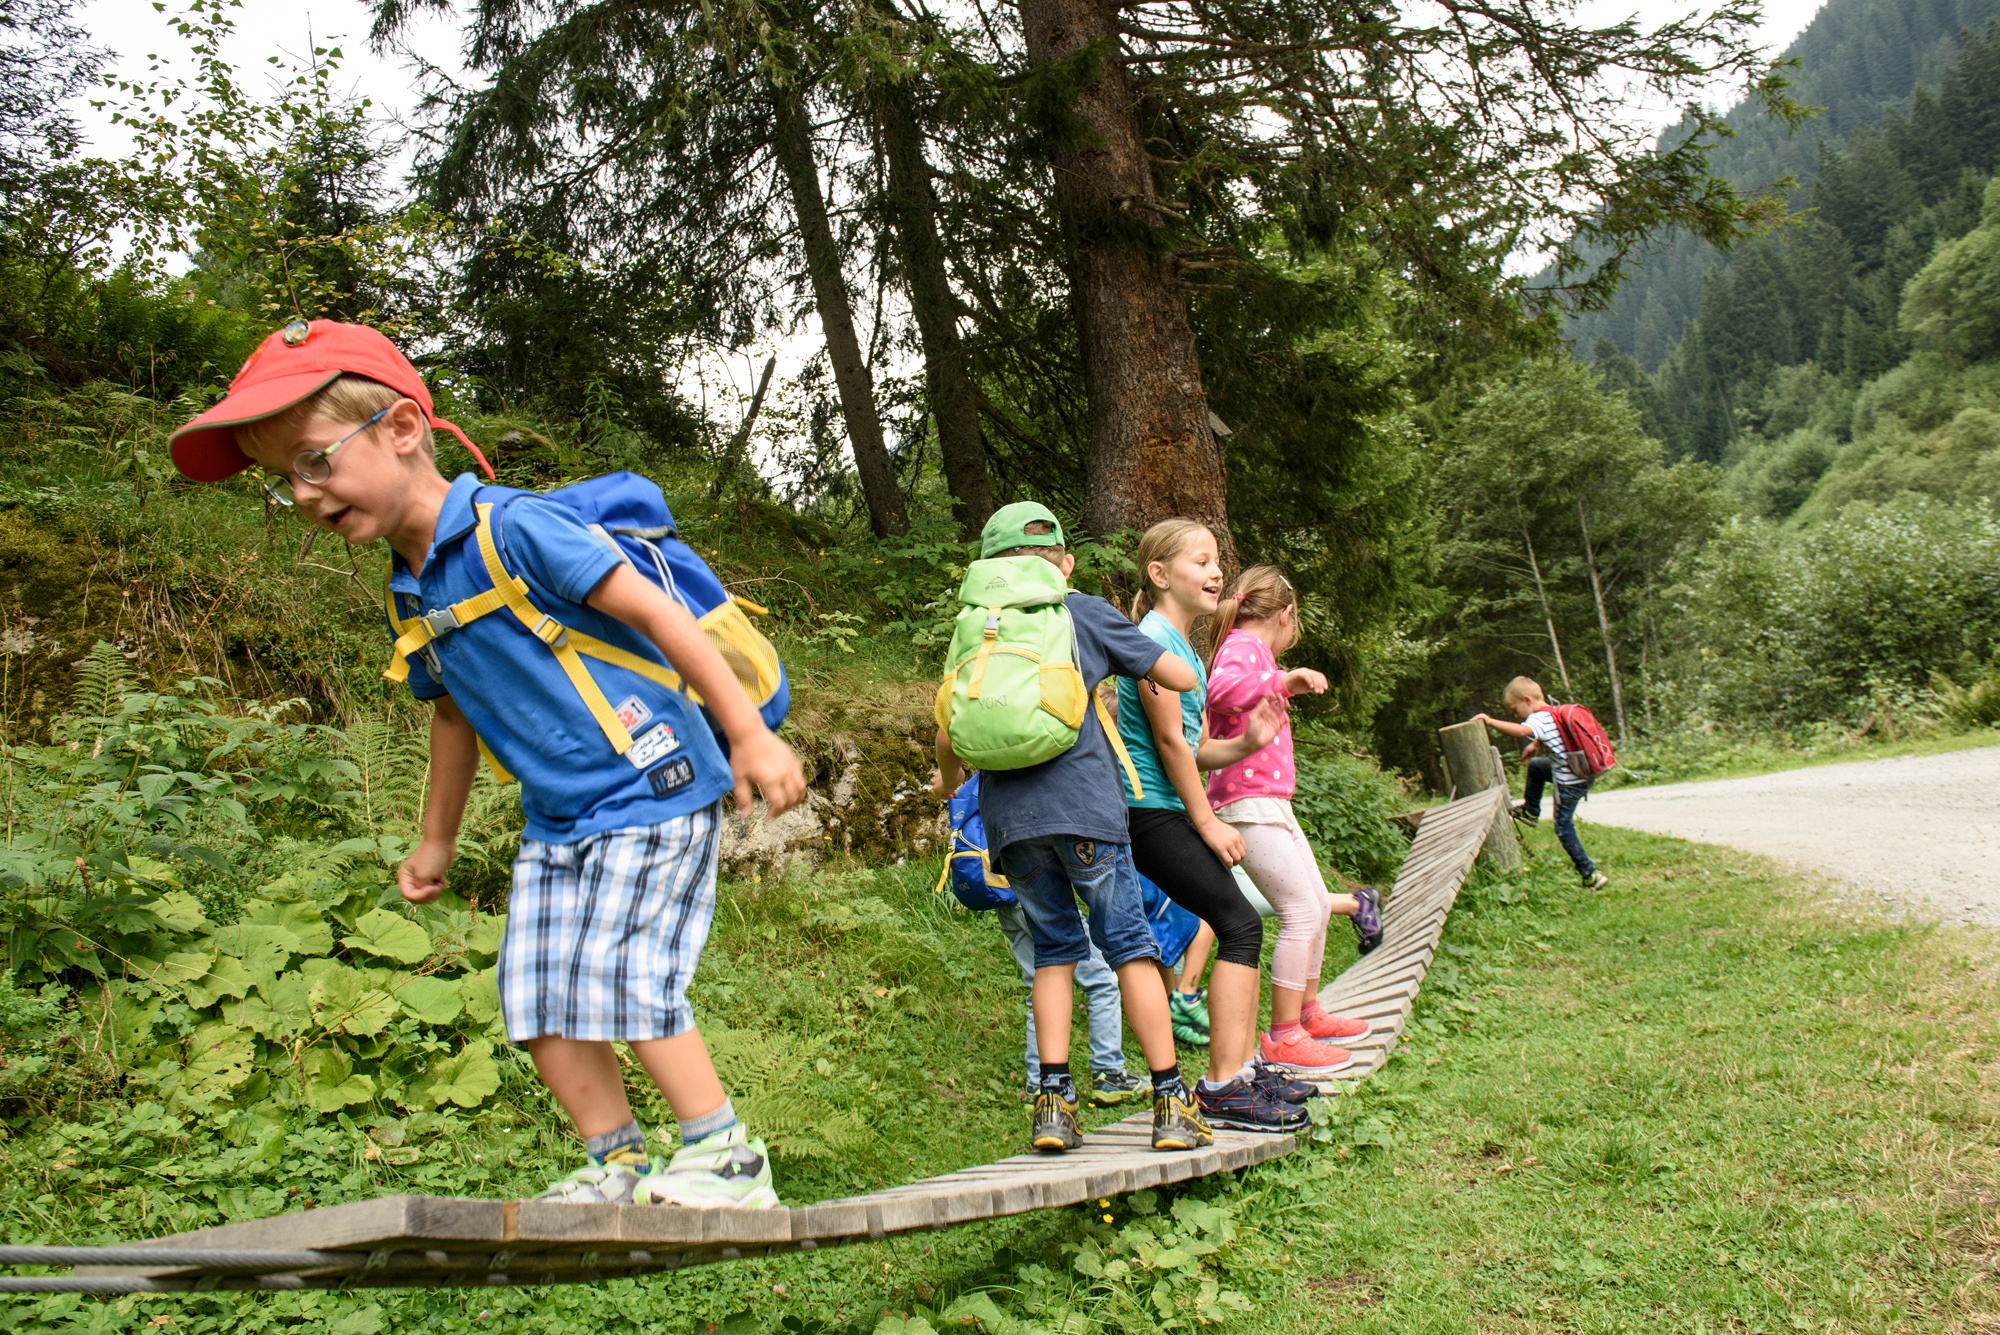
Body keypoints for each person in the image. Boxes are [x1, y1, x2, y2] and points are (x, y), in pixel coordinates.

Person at [166, 320, 808, 1208]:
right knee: (537, 993)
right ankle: (614, 1164)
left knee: (623, 972)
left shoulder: (517, 529)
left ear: (400, 428)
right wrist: (435, 840)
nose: (305, 494)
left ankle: (726, 1155)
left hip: (654, 782)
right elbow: (454, 712)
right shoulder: (411, 584)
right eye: (285, 481)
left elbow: (663, 617)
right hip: (558, 815)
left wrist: (748, 732)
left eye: (314, 460)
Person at [933, 502, 1210, 1154]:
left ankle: (1053, 1104)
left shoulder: (977, 629)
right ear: (1064, 561)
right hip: (1086, 810)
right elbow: (1179, 674)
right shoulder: (1077, 610)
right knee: (1130, 948)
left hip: (1011, 825)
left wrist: (949, 788)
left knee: (1054, 951)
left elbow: (948, 731)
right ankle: (1172, 1100)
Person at [1114, 521, 1315, 1133]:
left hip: (1170, 806)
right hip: (1149, 811)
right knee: (1238, 923)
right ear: (1159, 574)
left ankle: (1241, 1071)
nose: (1216, 571)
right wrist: (1206, 822)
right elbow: (1169, 743)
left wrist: (1248, 741)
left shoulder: (1184, 648)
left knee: (1239, 926)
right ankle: (1224, 1084)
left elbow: (1197, 746)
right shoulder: (1152, 640)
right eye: (1200, 561)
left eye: (1217, 561)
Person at [1205, 566, 1383, 1075]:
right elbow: (1221, 690)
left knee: (1318, 906)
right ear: (1287, 616)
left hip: (1271, 801)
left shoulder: (1256, 654)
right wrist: (1284, 679)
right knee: (1301, 910)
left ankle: (1306, 1014)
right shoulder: (1242, 646)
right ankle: (1283, 1035)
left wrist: (1277, 678)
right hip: (1245, 802)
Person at [1474, 676, 1609, 890]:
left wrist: (1490, 721)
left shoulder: (1538, 719)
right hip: (1582, 774)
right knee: (1536, 765)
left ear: (1527, 700)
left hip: (1569, 782)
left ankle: (1590, 874)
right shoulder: (1554, 710)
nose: (1516, 716)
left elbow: (1522, 730)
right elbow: (1550, 730)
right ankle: (1530, 811)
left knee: (1563, 827)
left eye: (1514, 710)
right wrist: (1536, 744)